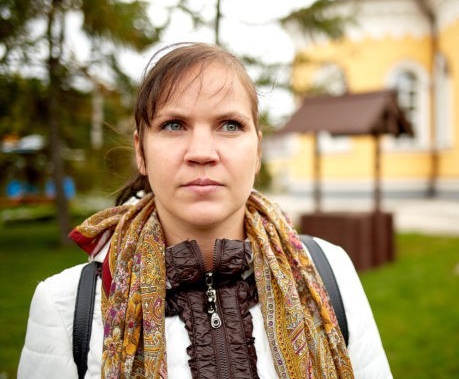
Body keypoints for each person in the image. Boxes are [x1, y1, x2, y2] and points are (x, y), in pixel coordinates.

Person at [18, 42, 392, 379]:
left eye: (229, 125)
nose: (201, 152)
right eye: (173, 125)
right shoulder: (67, 307)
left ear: (258, 151)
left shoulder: (329, 273)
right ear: (140, 152)